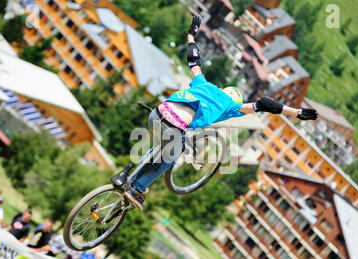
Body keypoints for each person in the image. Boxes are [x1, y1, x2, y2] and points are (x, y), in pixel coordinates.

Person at [122, 15, 318, 210]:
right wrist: (297, 111)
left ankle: (127, 179)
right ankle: (137, 188)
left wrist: (191, 34)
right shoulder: (232, 106)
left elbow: (193, 59)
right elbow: (264, 104)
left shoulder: (203, 83)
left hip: (157, 114)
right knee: (170, 155)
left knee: (160, 147)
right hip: (173, 127)